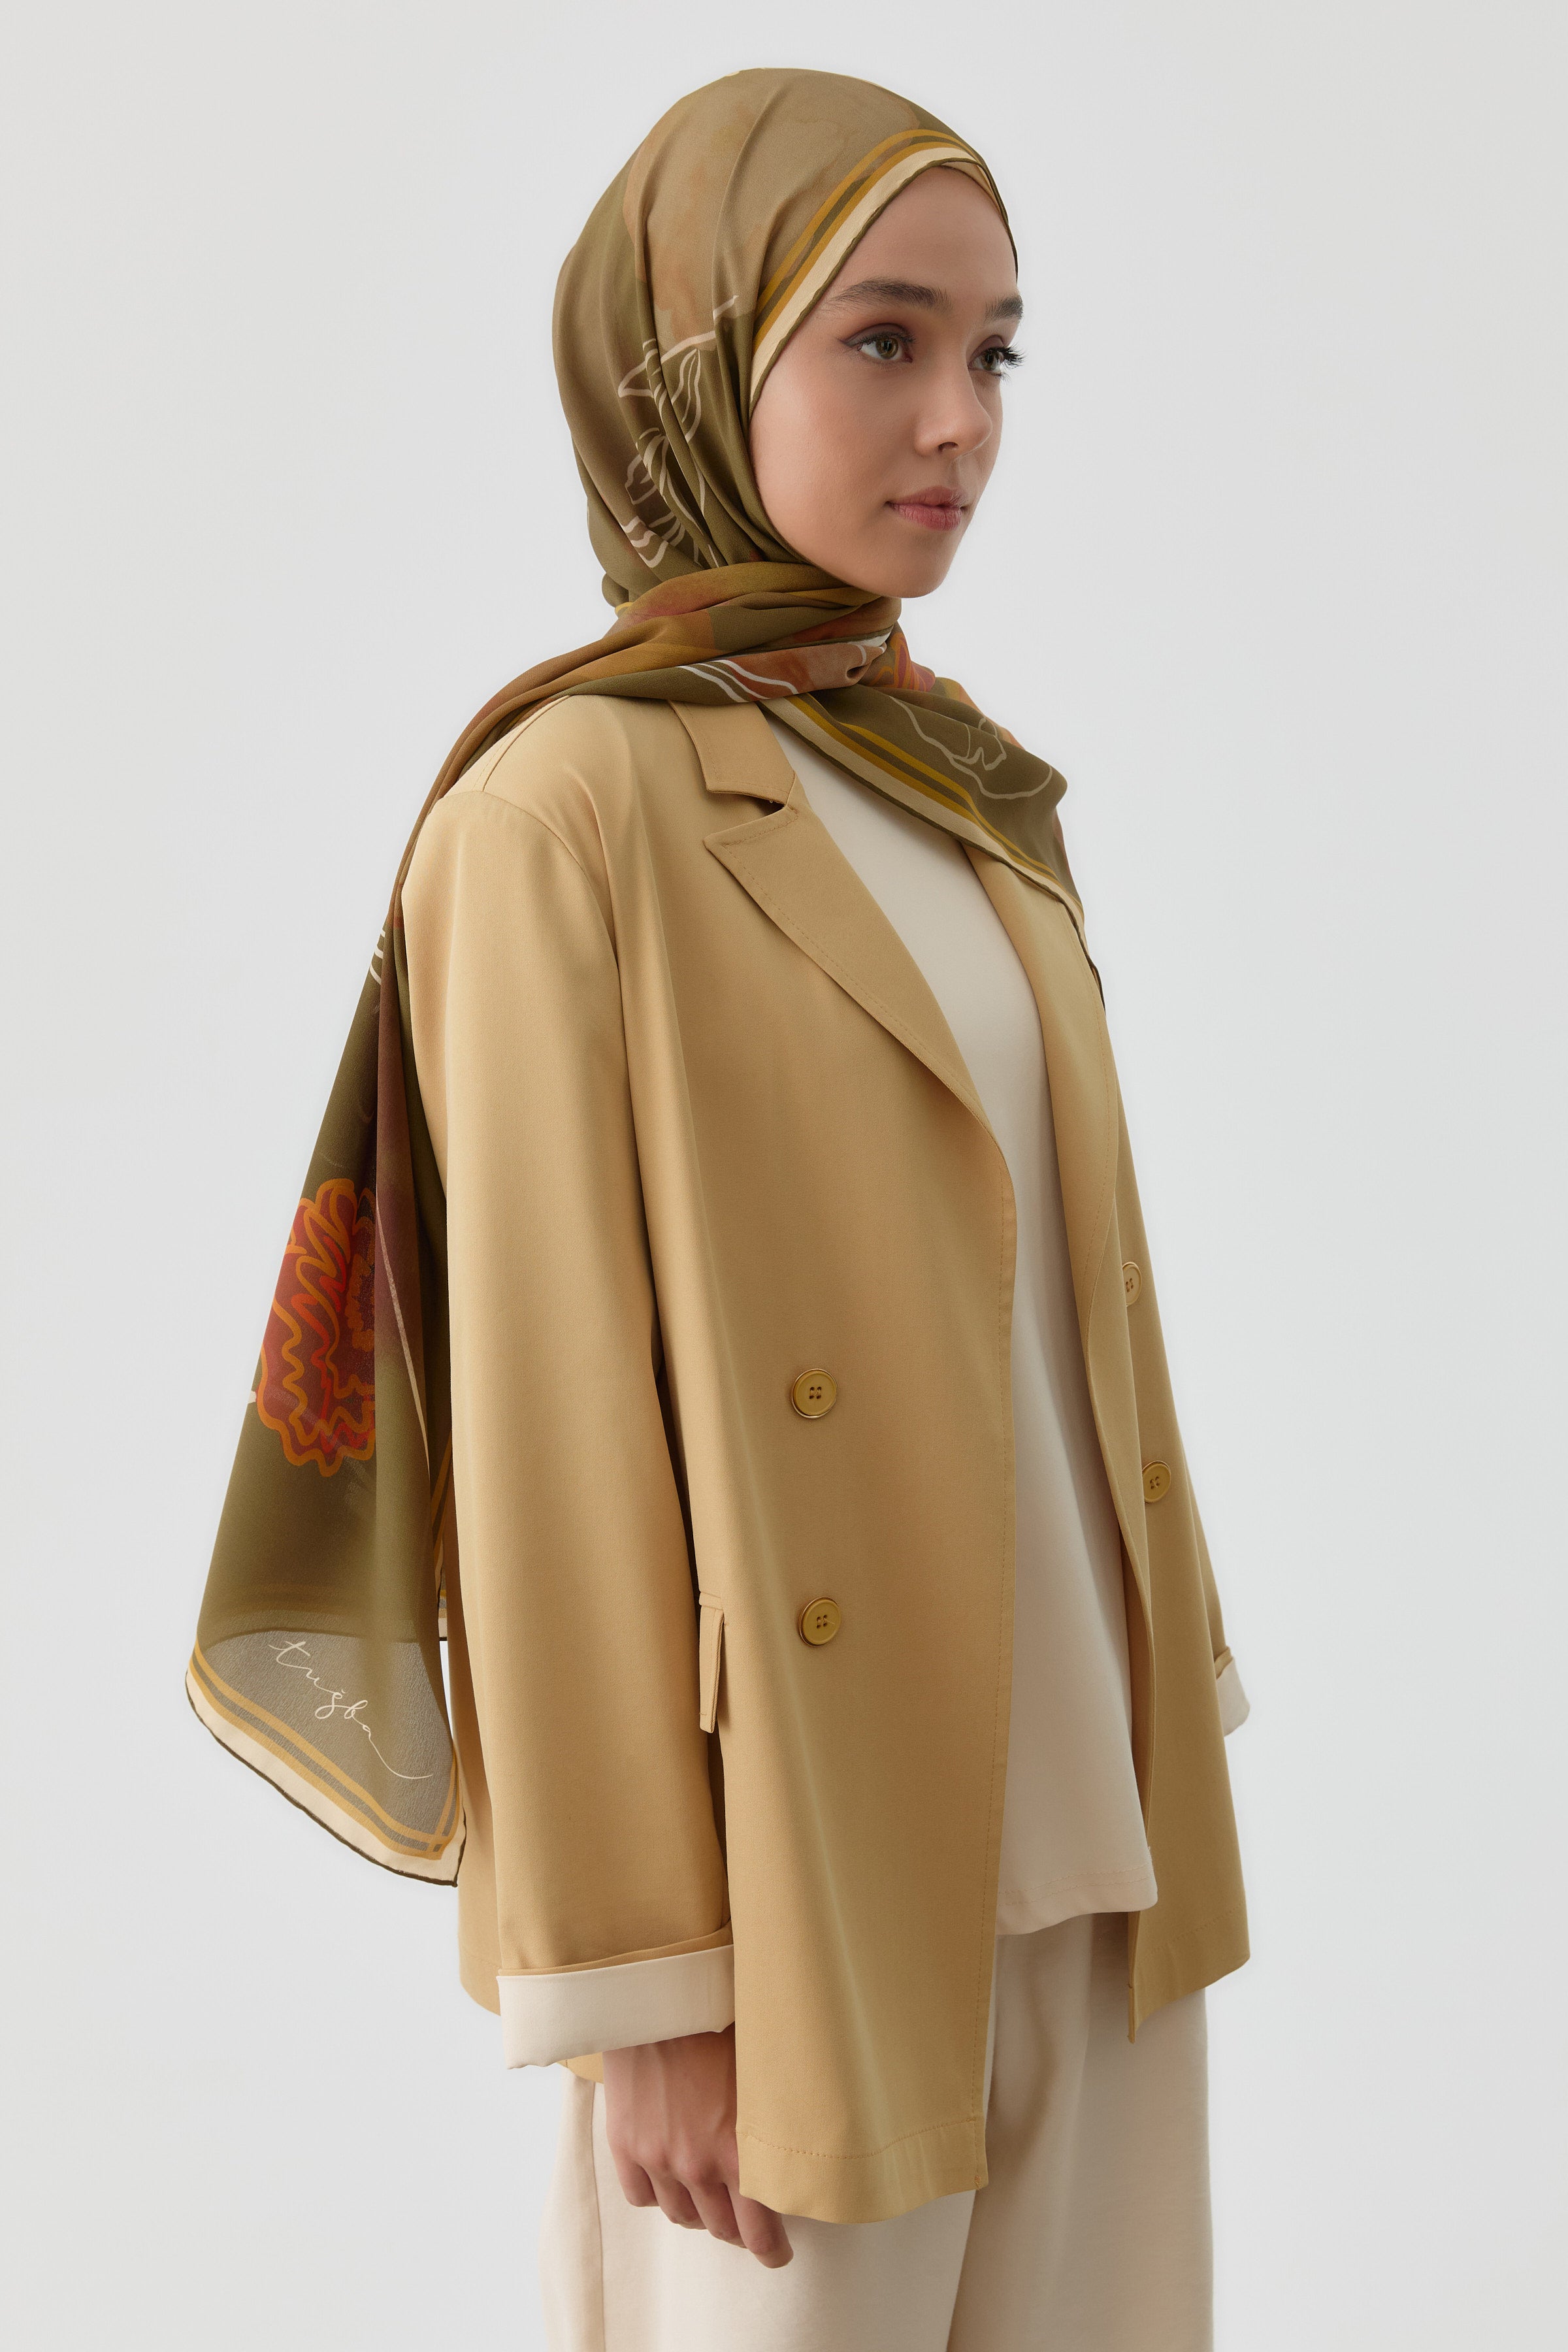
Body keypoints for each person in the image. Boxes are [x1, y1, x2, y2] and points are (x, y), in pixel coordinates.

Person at [188, 66, 1250, 2351]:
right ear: (687, 360)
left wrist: (1173, 1701)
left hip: (1099, 1824)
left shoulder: (961, 783)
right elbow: (549, 1438)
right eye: (883, 338)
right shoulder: (558, 812)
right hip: (792, 1880)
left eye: (995, 349)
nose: (958, 418)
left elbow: (1076, 1312)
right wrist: (642, 1981)